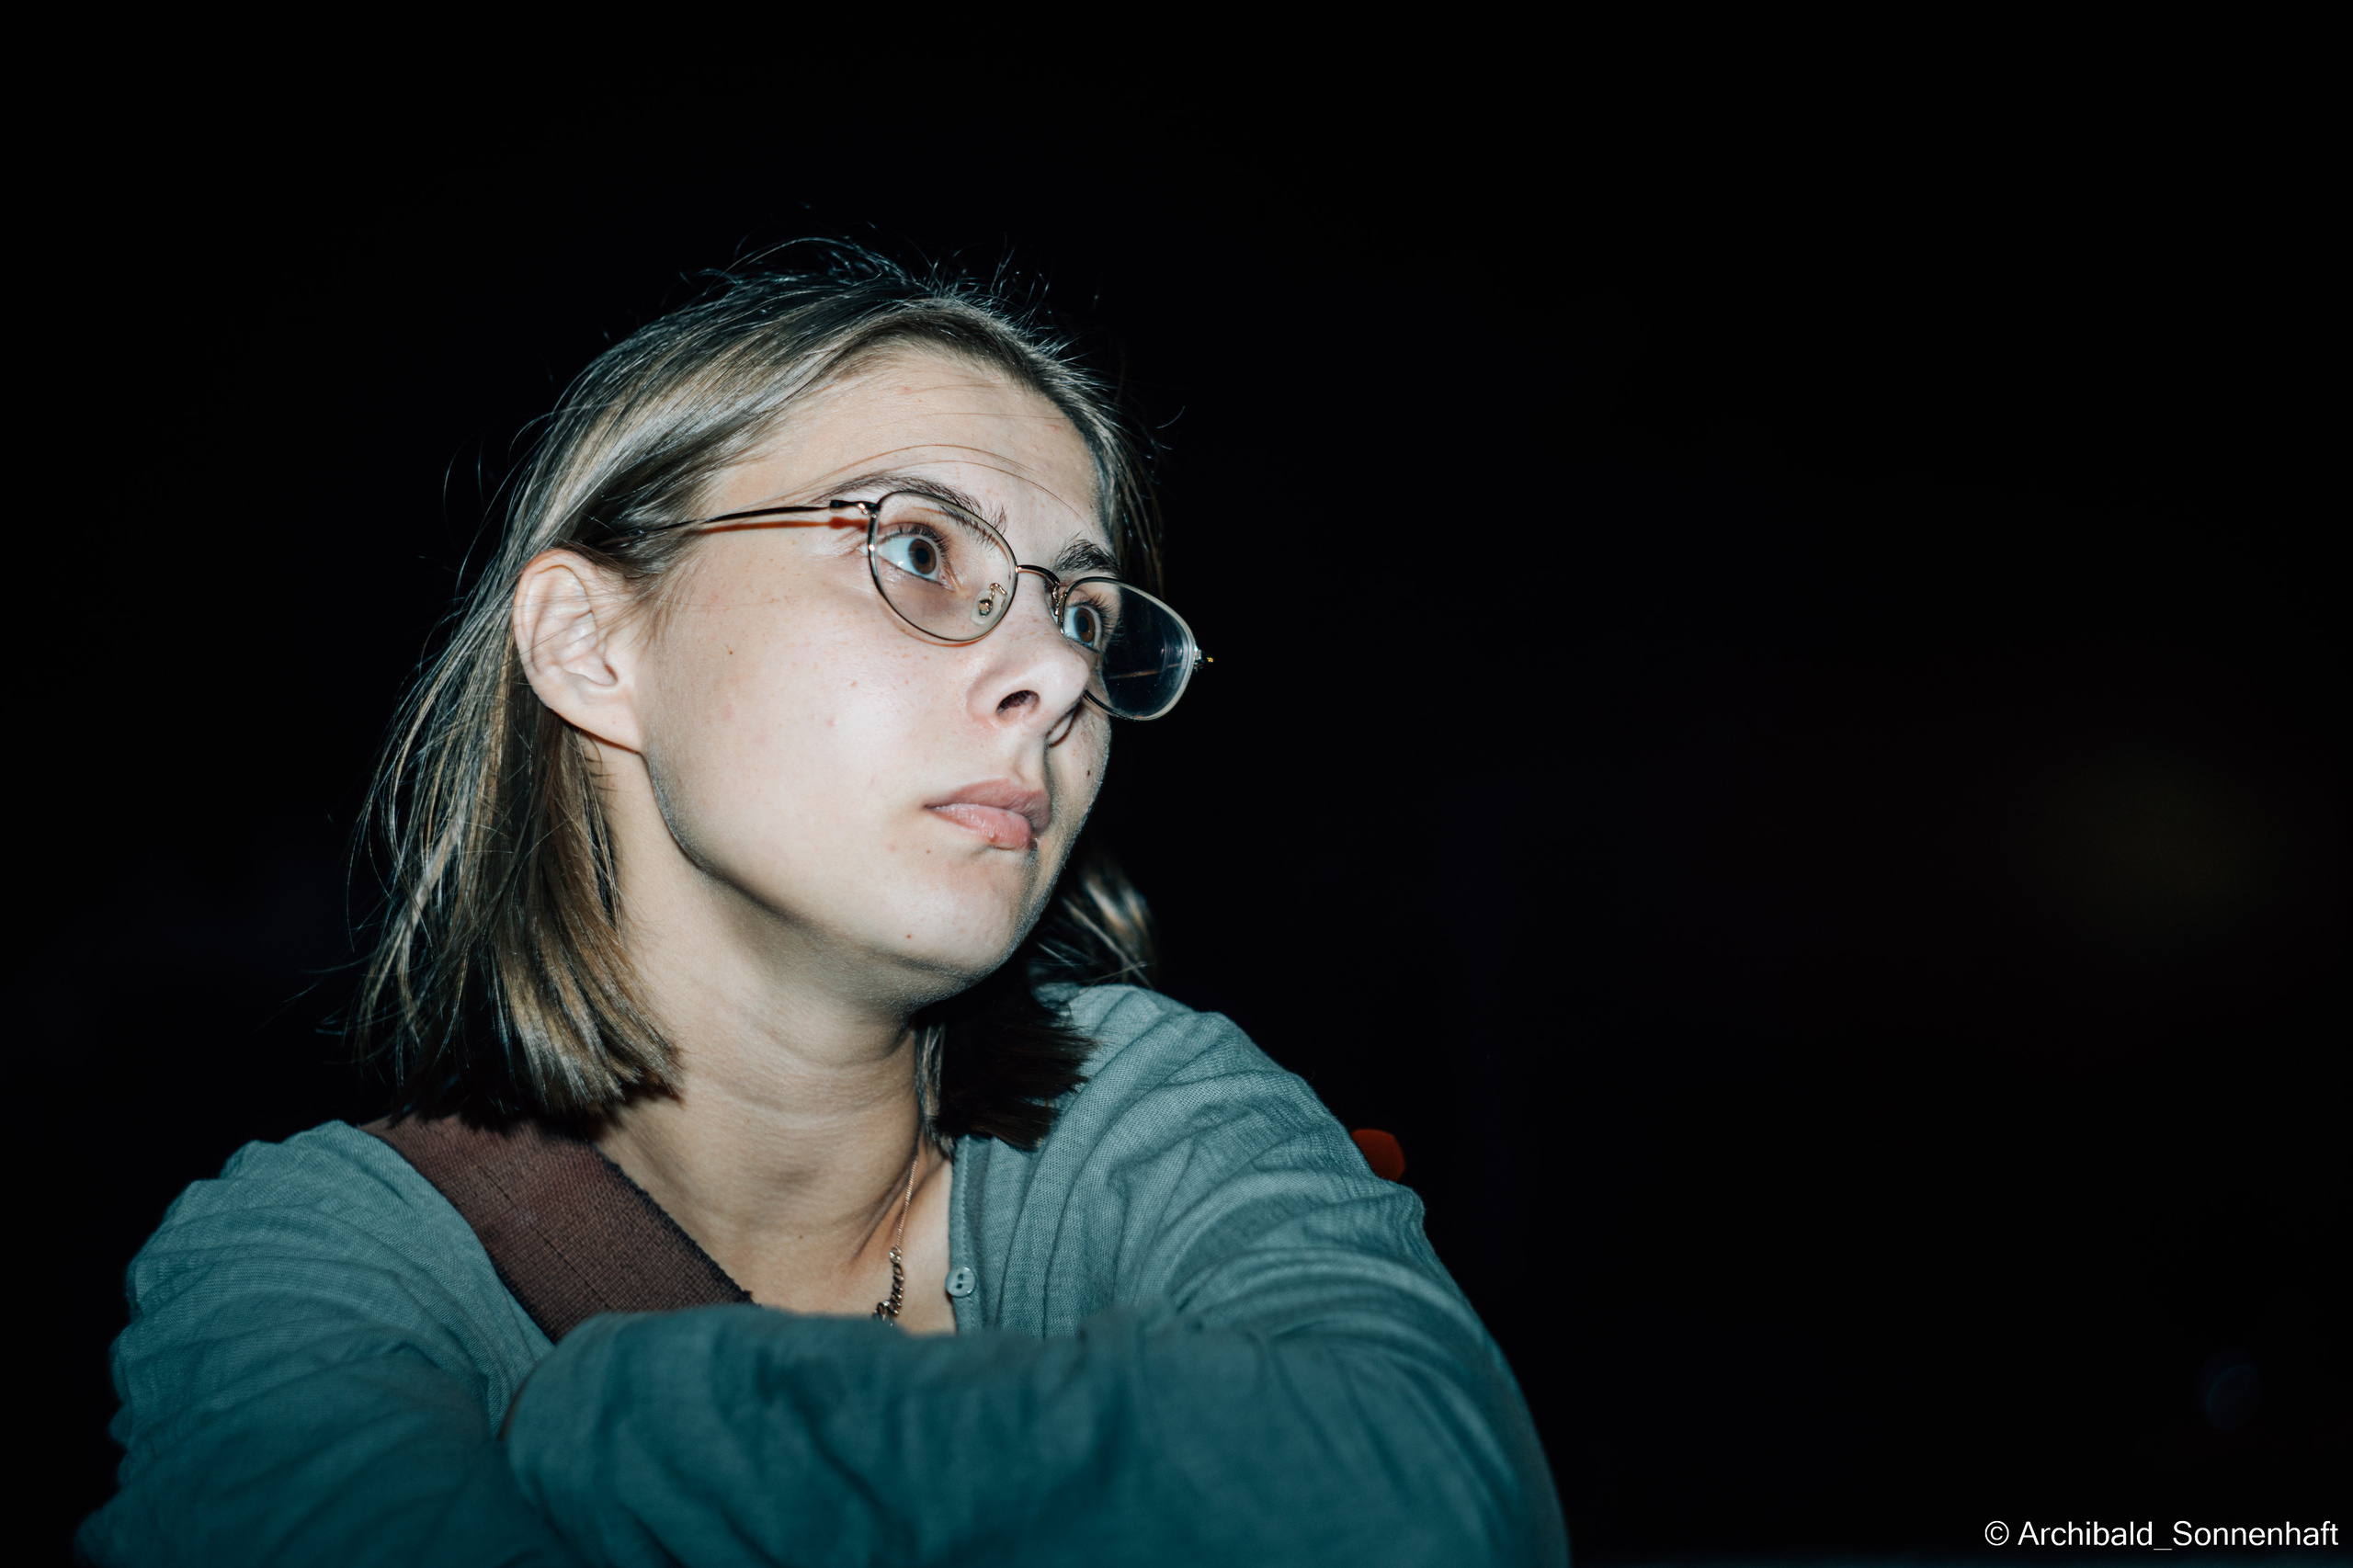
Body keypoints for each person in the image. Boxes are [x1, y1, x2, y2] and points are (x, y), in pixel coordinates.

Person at [79, 255, 1567, 1566]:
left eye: (1084, 610)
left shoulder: (1148, 1118)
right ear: (594, 644)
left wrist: (613, 1414)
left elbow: (1428, 1497)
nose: (1055, 674)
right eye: (922, 551)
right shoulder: (316, 1260)